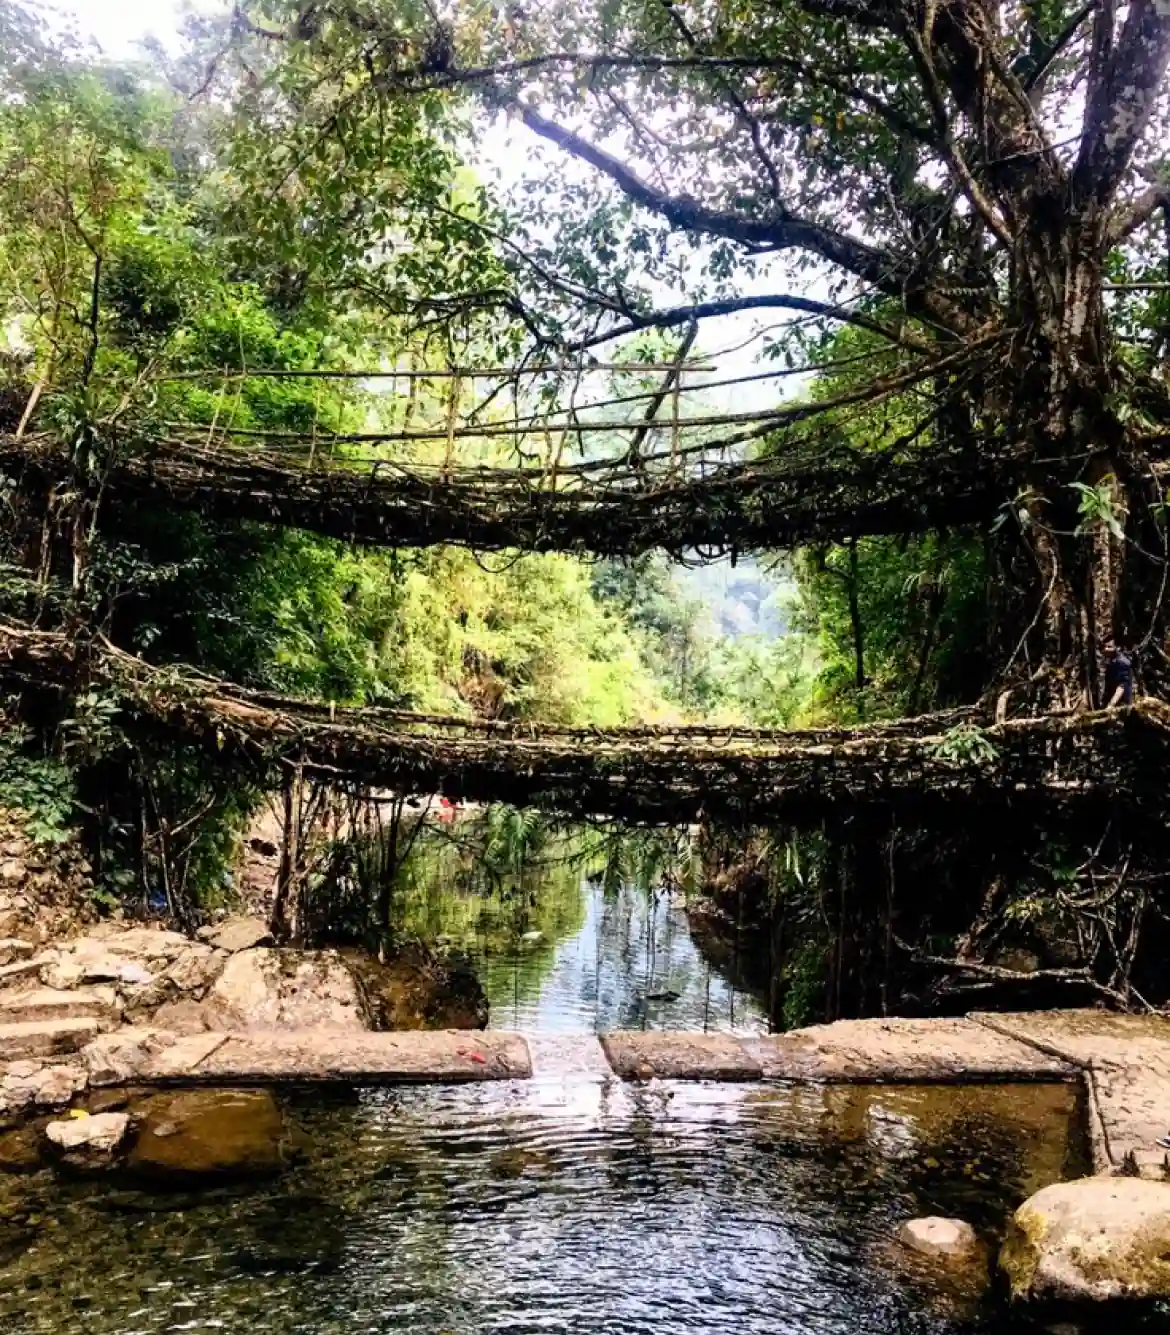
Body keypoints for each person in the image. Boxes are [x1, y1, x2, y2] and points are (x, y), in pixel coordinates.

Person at [1103, 640, 1134, 707]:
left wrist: (1111, 704)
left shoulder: (1122, 663)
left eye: (1109, 647)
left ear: (1118, 648)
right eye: (1105, 647)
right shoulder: (1111, 661)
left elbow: (1122, 686)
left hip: (1121, 703)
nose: (1106, 649)